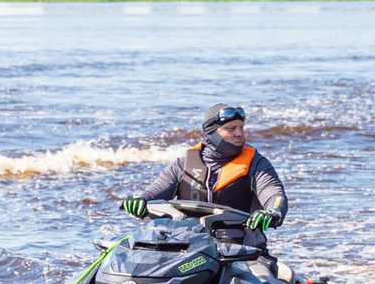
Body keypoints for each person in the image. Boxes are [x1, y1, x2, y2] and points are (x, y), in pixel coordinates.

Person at [122, 103, 287, 240]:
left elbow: (274, 194)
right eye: (231, 129)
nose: (240, 134)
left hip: (243, 249)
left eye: (241, 127)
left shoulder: (257, 164)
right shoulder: (183, 164)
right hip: (189, 245)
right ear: (211, 133)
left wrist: (273, 212)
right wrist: (141, 201)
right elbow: (154, 193)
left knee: (262, 276)